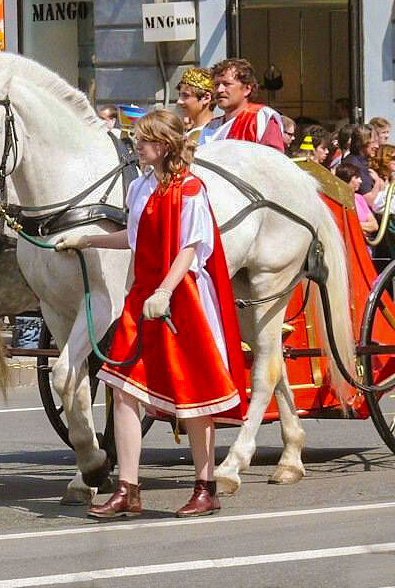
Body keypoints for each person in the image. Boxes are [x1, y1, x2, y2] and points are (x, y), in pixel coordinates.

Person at [55, 109, 246, 519]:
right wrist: (86, 239)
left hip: (182, 297)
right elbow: (133, 237)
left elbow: (192, 247)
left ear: (163, 145)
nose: (136, 145)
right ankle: (128, 488)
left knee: (194, 395)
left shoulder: (191, 189)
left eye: (143, 140)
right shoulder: (140, 187)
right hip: (144, 297)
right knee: (123, 389)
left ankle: (205, 487)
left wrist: (164, 290)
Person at [203, 59, 285, 152]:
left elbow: (273, 160)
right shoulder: (210, 127)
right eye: (216, 85)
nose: (219, 90)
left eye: (227, 84)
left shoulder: (262, 118)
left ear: (247, 89)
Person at [335, 162, 379, 238]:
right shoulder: (337, 199)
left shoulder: (359, 198)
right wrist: (362, 227)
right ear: (347, 178)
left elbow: (374, 225)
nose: (360, 181)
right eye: (357, 177)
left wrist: (353, 225)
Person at [175, 67, 216, 143]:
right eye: (180, 95)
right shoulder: (186, 133)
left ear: (206, 98)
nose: (179, 101)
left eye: (186, 95)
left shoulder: (213, 135)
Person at [344, 125, 378, 199]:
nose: (377, 146)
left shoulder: (362, 162)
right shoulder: (355, 165)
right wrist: (378, 182)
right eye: (373, 142)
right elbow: (370, 200)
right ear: (363, 142)